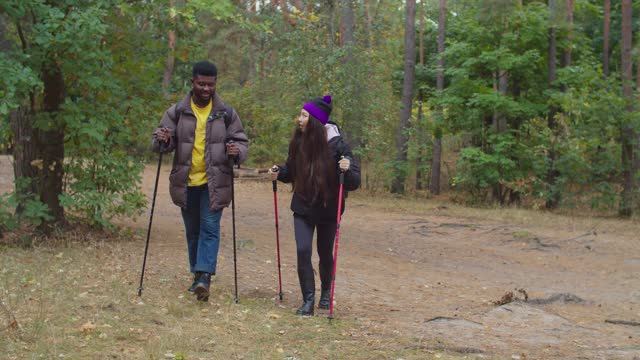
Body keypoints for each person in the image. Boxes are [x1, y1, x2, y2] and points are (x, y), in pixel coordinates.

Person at [152, 61, 249, 302]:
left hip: (215, 182)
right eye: (202, 84)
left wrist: (236, 150)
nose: (206, 89)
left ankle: (205, 276)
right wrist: (163, 140)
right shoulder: (177, 111)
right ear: (193, 82)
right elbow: (159, 141)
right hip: (185, 182)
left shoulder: (226, 113)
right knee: (193, 230)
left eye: (211, 84)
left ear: (216, 84)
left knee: (209, 227)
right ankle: (197, 275)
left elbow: (242, 142)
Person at [269, 95, 360, 315]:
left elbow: (354, 181)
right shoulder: (298, 141)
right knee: (302, 250)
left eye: (304, 115)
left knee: (325, 253)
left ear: (316, 121)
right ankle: (308, 300)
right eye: (300, 114)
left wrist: (347, 169)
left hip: (329, 208)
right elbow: (292, 170)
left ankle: (326, 292)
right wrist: (279, 172)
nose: (299, 119)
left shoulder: (338, 145)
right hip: (303, 206)